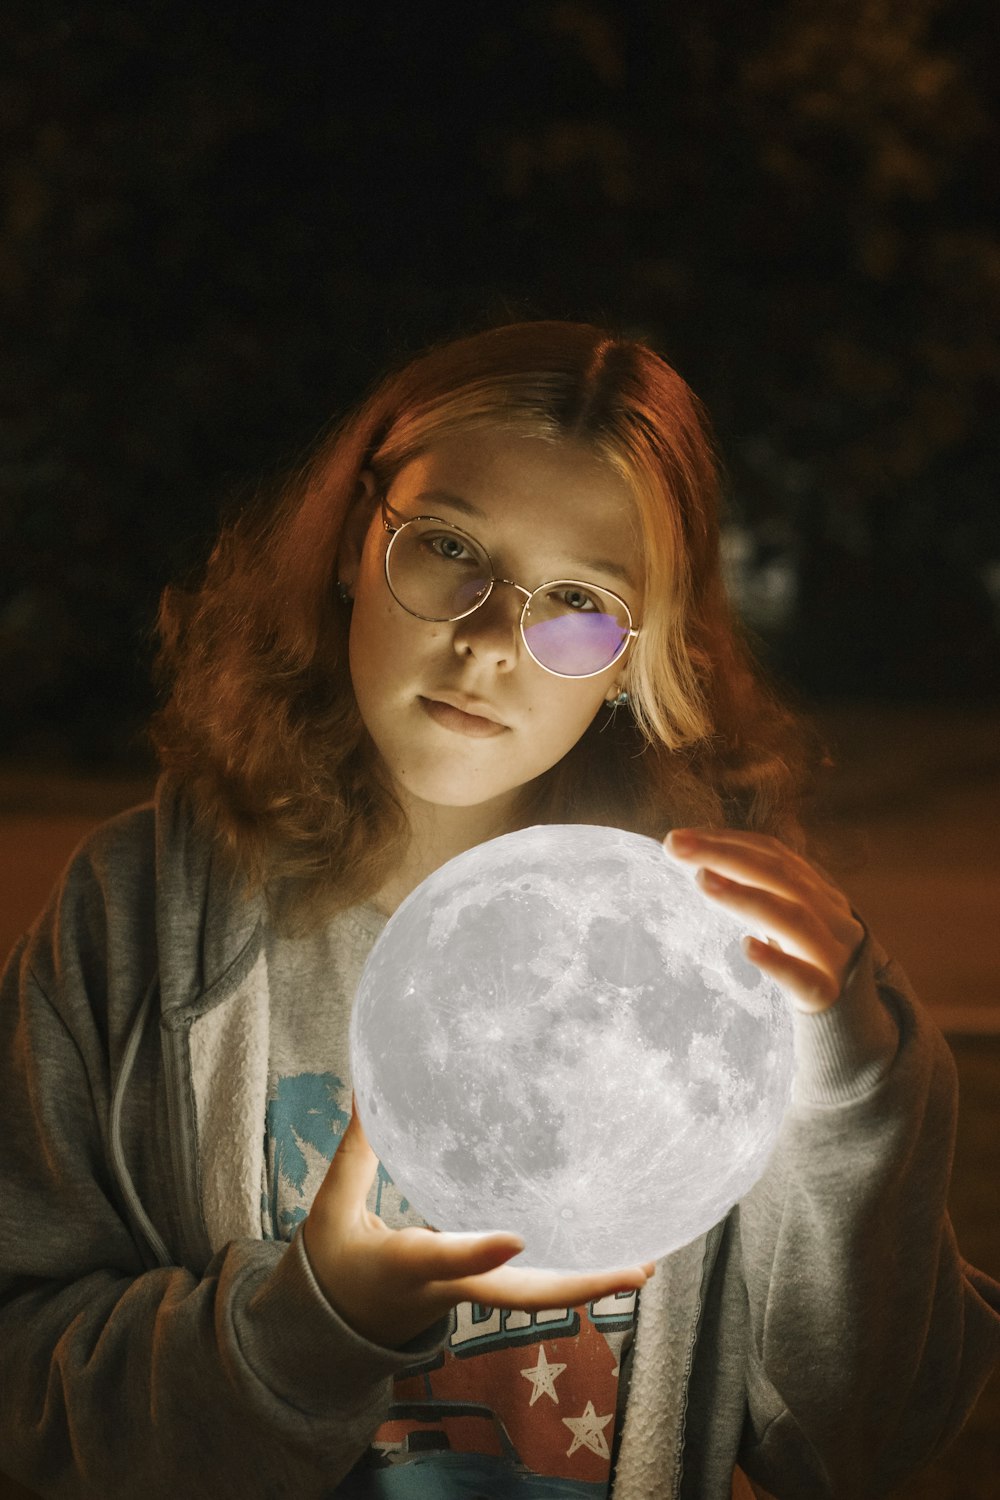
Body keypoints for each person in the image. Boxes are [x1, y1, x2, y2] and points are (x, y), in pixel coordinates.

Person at [1, 321, 997, 1500]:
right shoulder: (137, 919)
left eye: (578, 600)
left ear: (643, 652)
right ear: (346, 540)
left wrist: (858, 1102)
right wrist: (308, 1322)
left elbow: (870, 1437)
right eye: (446, 547)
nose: (487, 642)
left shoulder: (722, 983)